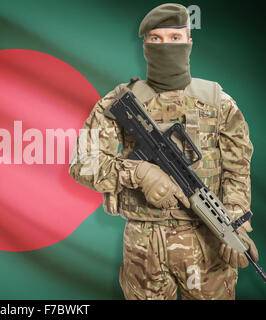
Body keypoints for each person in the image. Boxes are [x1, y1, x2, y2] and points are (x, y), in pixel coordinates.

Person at [69, 3, 259, 300]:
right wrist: (139, 172)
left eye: (175, 38)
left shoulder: (219, 103)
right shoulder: (121, 101)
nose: (166, 46)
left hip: (207, 247)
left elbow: (238, 170)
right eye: (156, 39)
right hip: (143, 247)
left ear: (189, 42)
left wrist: (234, 226)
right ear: (144, 44)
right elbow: (82, 163)